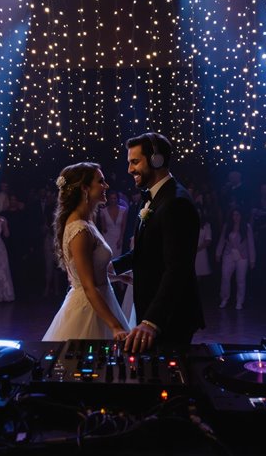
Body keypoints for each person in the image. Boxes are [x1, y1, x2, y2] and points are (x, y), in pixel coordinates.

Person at [111, 132, 204, 352]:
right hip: (156, 311)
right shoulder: (159, 196)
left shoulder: (176, 202)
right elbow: (147, 250)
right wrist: (112, 266)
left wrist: (152, 321)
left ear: (156, 160)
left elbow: (177, 268)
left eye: (135, 162)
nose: (129, 170)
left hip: (171, 317)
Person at [42, 163, 132, 341]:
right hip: (89, 309)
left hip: (101, 299)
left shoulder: (87, 221)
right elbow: (88, 286)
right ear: (85, 188)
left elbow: (92, 273)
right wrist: (115, 326)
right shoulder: (80, 230)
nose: (106, 186)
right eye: (101, 181)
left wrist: (119, 277)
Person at [216, 208, 256, 310]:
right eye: (234, 215)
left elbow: (251, 244)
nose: (236, 217)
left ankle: (239, 301)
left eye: (238, 215)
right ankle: (224, 298)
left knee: (241, 280)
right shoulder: (227, 226)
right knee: (225, 276)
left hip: (242, 256)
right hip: (229, 254)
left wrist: (252, 260)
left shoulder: (246, 227)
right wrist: (218, 253)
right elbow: (222, 240)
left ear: (241, 216)